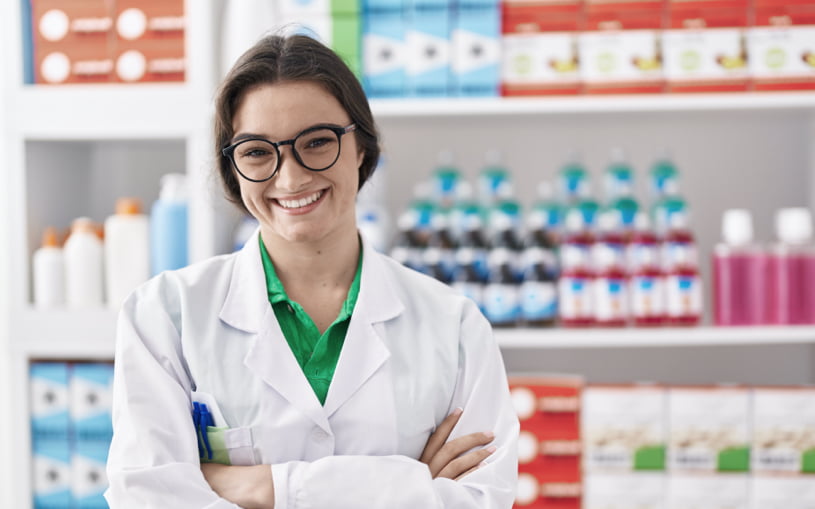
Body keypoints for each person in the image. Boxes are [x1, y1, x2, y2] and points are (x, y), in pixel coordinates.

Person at [105, 33, 519, 509]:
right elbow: (147, 496)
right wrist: (407, 483)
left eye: (317, 142)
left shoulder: (454, 326)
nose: (291, 177)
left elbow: (482, 499)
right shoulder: (164, 315)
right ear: (232, 168)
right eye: (257, 151)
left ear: (361, 147)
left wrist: (262, 487)